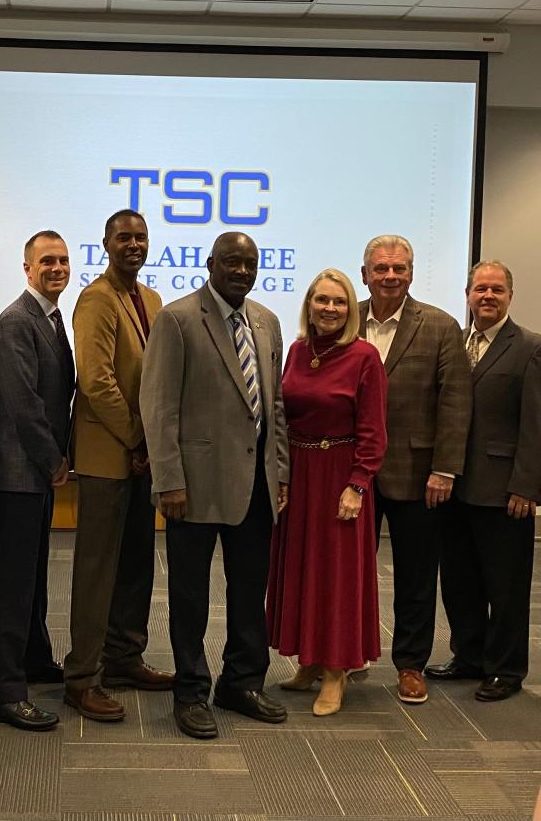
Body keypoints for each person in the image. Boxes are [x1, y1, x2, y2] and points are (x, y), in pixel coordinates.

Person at [140, 232, 290, 739]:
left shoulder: (267, 322)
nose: (241, 271)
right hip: (195, 487)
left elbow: (275, 411)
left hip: (256, 486)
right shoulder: (178, 319)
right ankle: (190, 692)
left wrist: (282, 473)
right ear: (210, 264)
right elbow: (158, 407)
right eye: (231, 262)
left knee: (250, 593)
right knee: (190, 597)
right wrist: (169, 480)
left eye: (250, 262)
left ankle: (241, 683)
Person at [64, 209, 174, 723]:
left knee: (135, 565)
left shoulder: (150, 299)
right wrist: (137, 435)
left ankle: (124, 658)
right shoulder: (96, 299)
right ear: (106, 243)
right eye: (124, 237)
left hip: (143, 457)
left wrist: (153, 443)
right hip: (109, 455)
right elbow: (96, 380)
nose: (134, 244)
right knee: (97, 569)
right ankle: (82, 677)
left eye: (141, 237)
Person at [266, 269, 388, 716]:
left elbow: (374, 432)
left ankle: (336, 673)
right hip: (299, 473)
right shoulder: (297, 351)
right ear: (309, 305)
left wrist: (358, 485)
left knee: (336, 576)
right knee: (303, 568)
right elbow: (282, 415)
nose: (330, 309)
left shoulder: (365, 357)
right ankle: (310, 661)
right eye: (322, 300)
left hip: (341, 476)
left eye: (339, 301)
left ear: (349, 307)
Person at [359, 234, 471, 705]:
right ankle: (343, 658)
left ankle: (410, 665)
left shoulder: (441, 326)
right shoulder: (343, 319)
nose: (390, 276)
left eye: (399, 268)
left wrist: (445, 469)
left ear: (410, 273)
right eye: (381, 268)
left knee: (417, 576)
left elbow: (455, 402)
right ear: (365, 273)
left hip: (418, 473)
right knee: (349, 573)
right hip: (354, 474)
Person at [427, 261, 541, 701]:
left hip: (504, 490)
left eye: (496, 289)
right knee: (459, 580)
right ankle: (469, 656)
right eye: (480, 289)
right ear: (468, 294)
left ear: (509, 296)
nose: (487, 296)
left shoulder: (529, 347)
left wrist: (527, 486)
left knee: (506, 585)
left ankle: (506, 669)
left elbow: (536, 423)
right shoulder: (454, 342)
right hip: (452, 485)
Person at [0, 231, 76, 732]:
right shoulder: (15, 321)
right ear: (27, 268)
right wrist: (55, 460)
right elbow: (21, 404)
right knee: (12, 588)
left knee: (35, 579)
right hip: (19, 475)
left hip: (36, 477)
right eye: (46, 261)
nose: (56, 268)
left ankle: (35, 660)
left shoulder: (53, 319)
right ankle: (5, 692)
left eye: (63, 260)